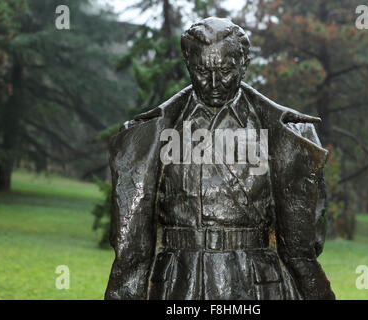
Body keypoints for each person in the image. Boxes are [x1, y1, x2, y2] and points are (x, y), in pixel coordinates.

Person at [105, 17, 334, 300]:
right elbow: (132, 241)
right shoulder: (150, 133)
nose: (213, 82)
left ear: (244, 63)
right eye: (202, 70)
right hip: (177, 283)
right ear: (188, 63)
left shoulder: (290, 134)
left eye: (225, 70)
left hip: (255, 284)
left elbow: (308, 239)